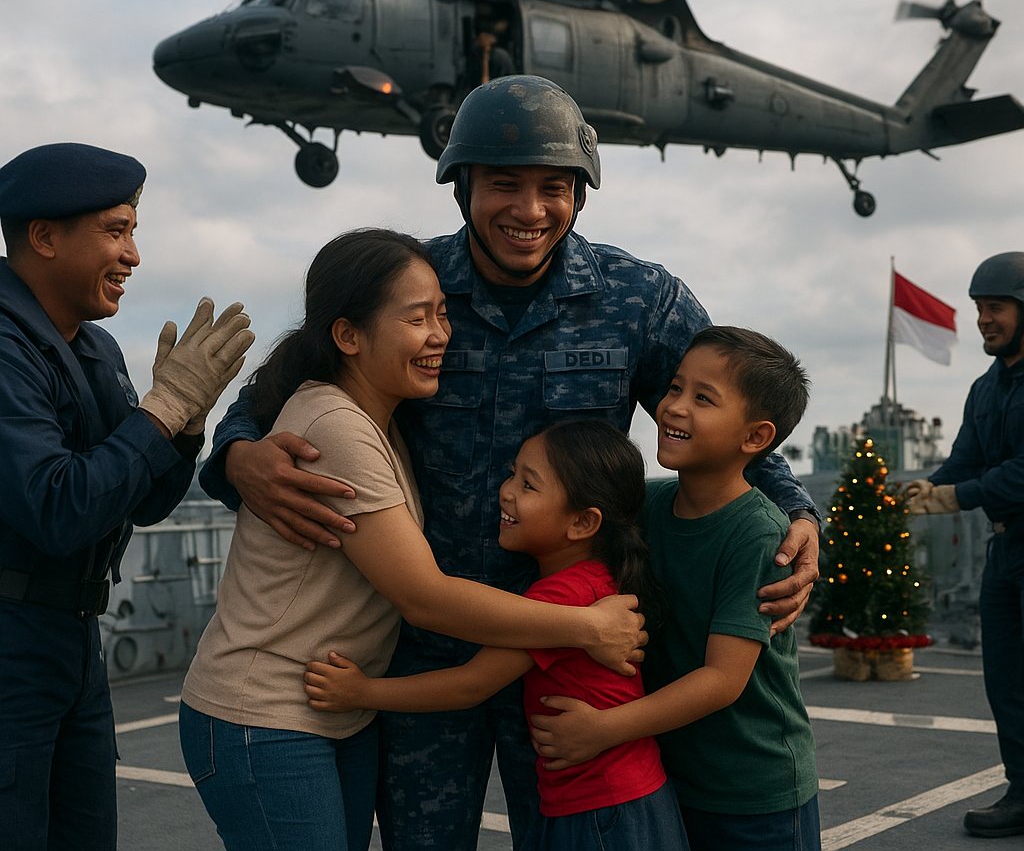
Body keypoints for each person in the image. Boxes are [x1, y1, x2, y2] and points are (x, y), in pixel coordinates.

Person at [200, 76, 822, 850]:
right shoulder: (409, 285)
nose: (529, 211)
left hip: (570, 651)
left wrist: (797, 510)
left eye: (553, 188)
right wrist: (236, 458)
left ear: (580, 197)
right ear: (463, 186)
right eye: (504, 184)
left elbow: (727, 413)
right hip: (426, 647)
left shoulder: (639, 299)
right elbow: (284, 382)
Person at [178, 230, 644, 851]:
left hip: (328, 709)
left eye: (443, 314)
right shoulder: (335, 426)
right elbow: (424, 597)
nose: (440, 336)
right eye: (416, 318)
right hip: (263, 714)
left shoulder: (378, 419)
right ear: (348, 337)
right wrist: (586, 626)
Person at [0, 142, 254, 851]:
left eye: (132, 232)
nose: (133, 255)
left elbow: (139, 502)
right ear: (45, 237)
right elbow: (57, 508)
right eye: (115, 231)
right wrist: (159, 411)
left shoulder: (94, 348)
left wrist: (184, 424)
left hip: (74, 639)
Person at [303, 418, 690, 851]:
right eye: (512, 474)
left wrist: (360, 692)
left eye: (529, 485)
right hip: (628, 798)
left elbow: (469, 685)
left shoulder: (562, 597)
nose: (505, 490)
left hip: (601, 810)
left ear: (582, 523)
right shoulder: (599, 579)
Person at [530, 327, 820, 851]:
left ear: (755, 438)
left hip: (752, 791)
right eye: (674, 388)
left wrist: (603, 729)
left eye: (703, 398)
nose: (673, 407)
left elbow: (721, 680)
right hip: (671, 777)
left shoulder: (758, 532)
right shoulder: (647, 508)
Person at [906, 252, 1024, 838]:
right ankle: (1023, 790)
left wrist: (957, 498)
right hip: (1006, 552)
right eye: (980, 308)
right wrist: (928, 488)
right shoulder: (985, 388)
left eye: (995, 307)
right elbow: (967, 460)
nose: (983, 319)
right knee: (1004, 678)